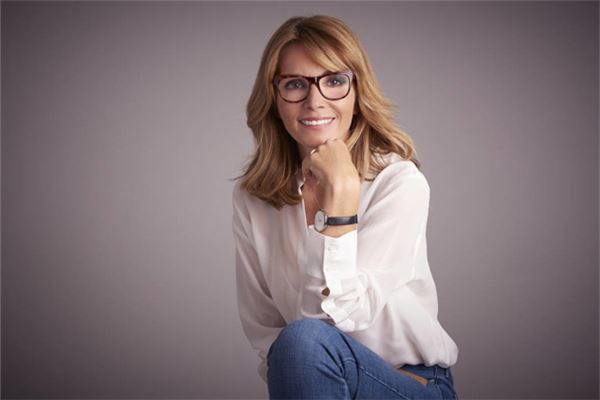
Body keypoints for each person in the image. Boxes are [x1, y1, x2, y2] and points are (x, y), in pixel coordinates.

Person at [232, 14, 459, 399]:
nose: (315, 101)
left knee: (304, 341)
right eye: (295, 84)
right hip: (316, 382)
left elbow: (345, 317)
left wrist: (340, 198)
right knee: (297, 343)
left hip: (408, 385)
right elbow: (267, 330)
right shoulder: (253, 197)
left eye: (334, 81)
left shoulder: (397, 182)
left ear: (357, 91)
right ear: (274, 98)